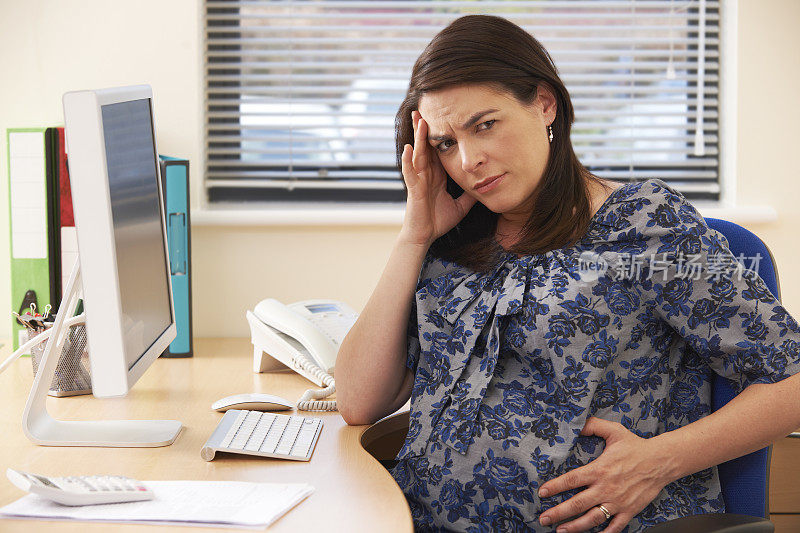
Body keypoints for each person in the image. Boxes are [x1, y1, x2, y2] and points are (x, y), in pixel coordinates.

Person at [336, 14, 800, 533]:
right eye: (445, 143)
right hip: (410, 520)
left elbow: (793, 380)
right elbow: (358, 401)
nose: (468, 160)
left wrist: (659, 460)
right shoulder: (453, 245)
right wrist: (413, 237)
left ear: (544, 104)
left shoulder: (646, 225)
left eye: (484, 125)